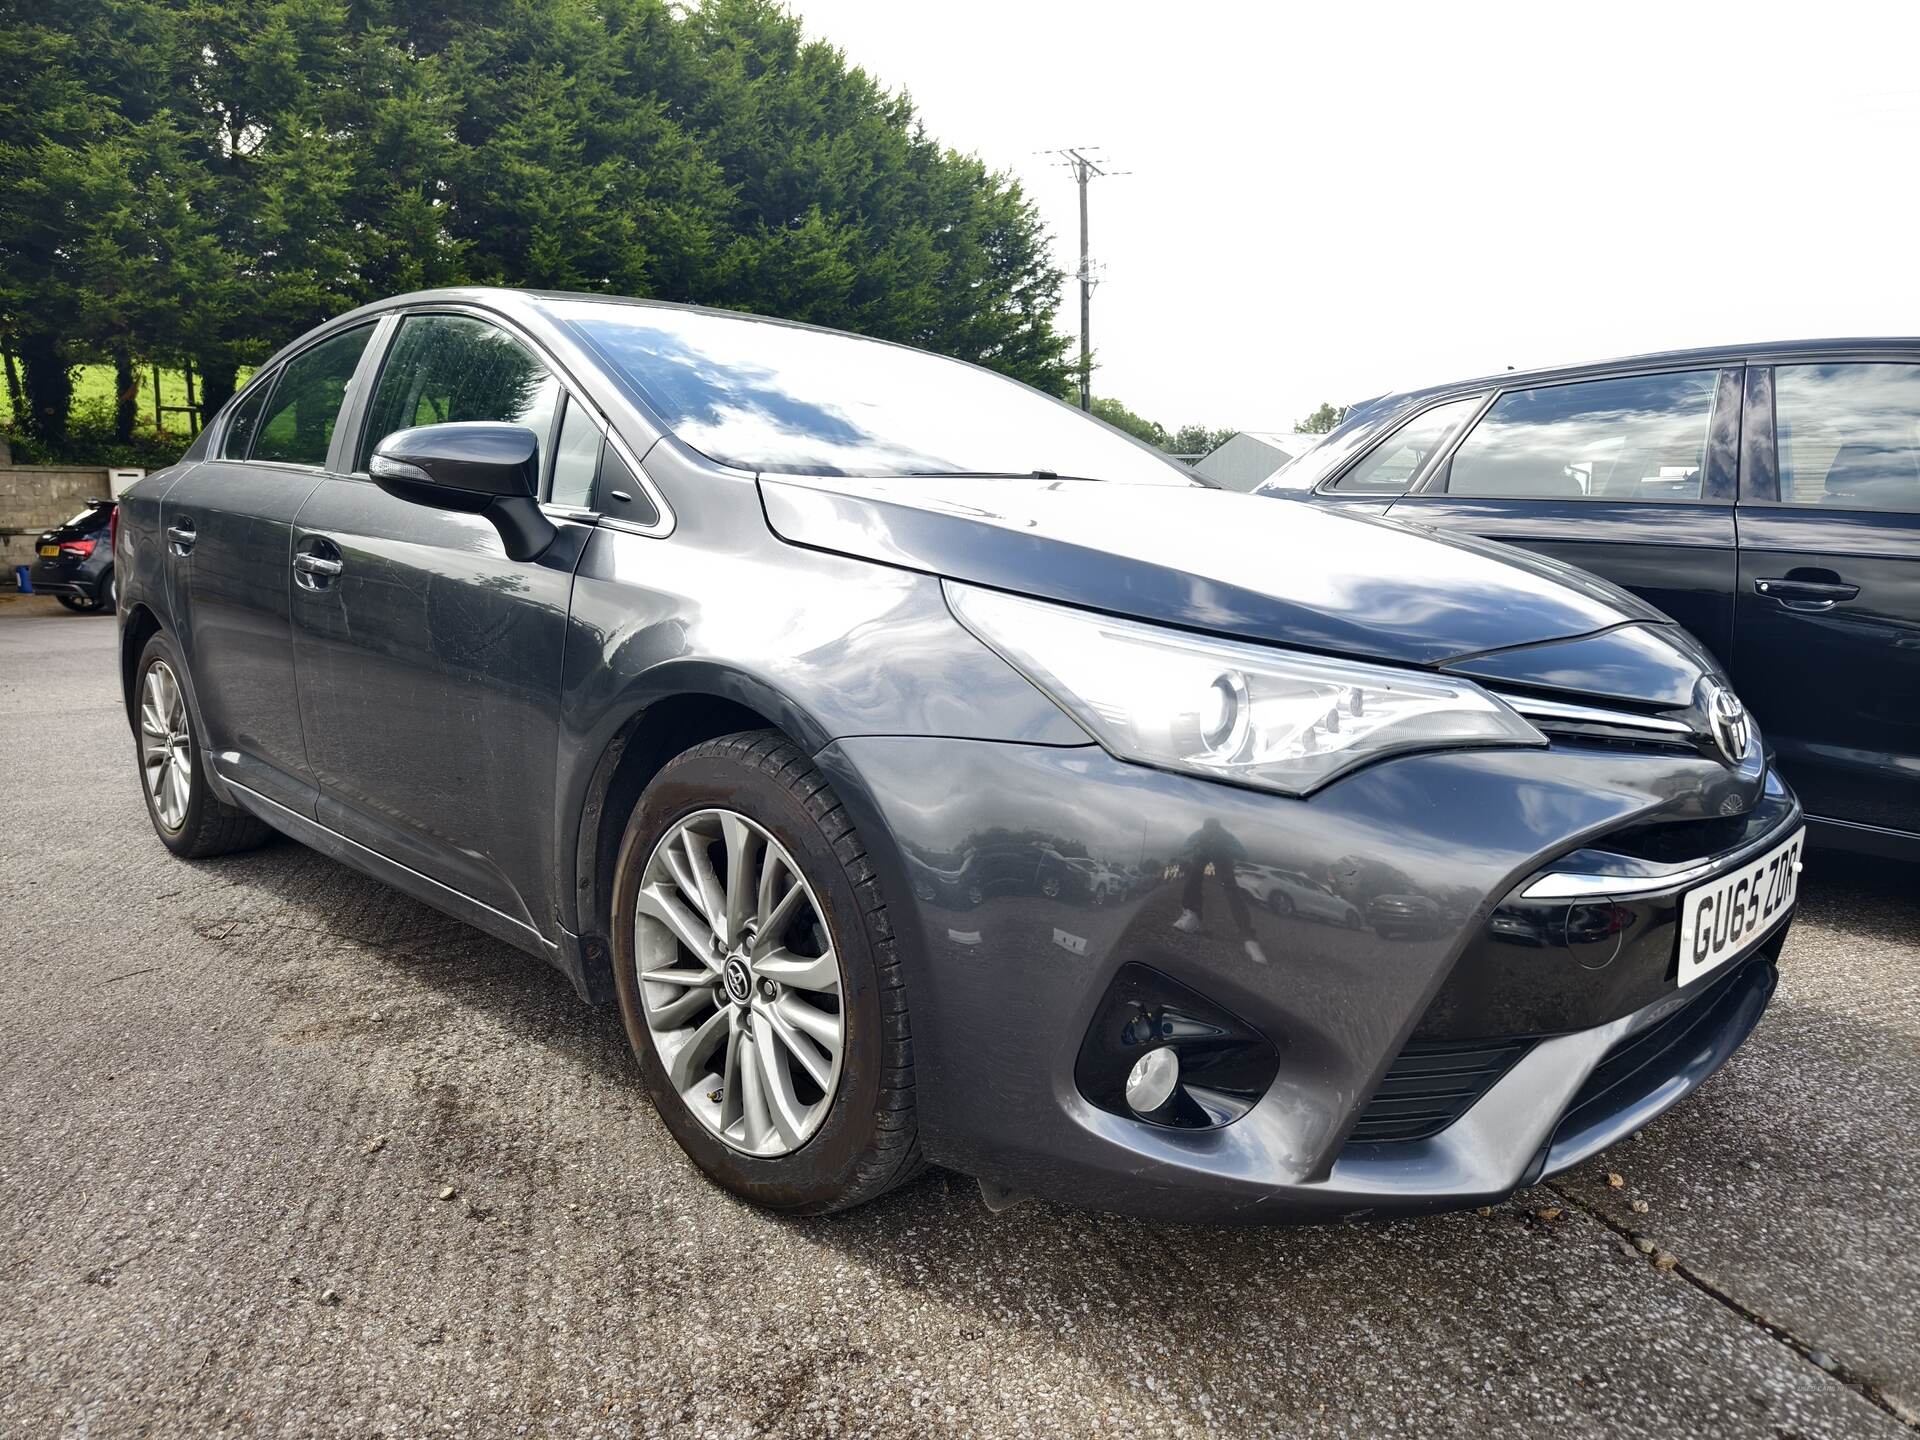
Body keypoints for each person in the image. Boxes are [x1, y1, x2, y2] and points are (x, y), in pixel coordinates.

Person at [1171, 817, 1266, 964]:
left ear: (1219, 829)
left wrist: (1223, 847)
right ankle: (1192, 914)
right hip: (1201, 854)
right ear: (1204, 828)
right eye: (1207, 829)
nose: (1210, 833)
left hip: (1222, 856)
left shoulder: (1226, 837)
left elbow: (1243, 854)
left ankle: (1249, 938)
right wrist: (1197, 845)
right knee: (1193, 872)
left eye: (1213, 830)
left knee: (1231, 888)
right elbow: (1183, 849)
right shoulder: (1199, 835)